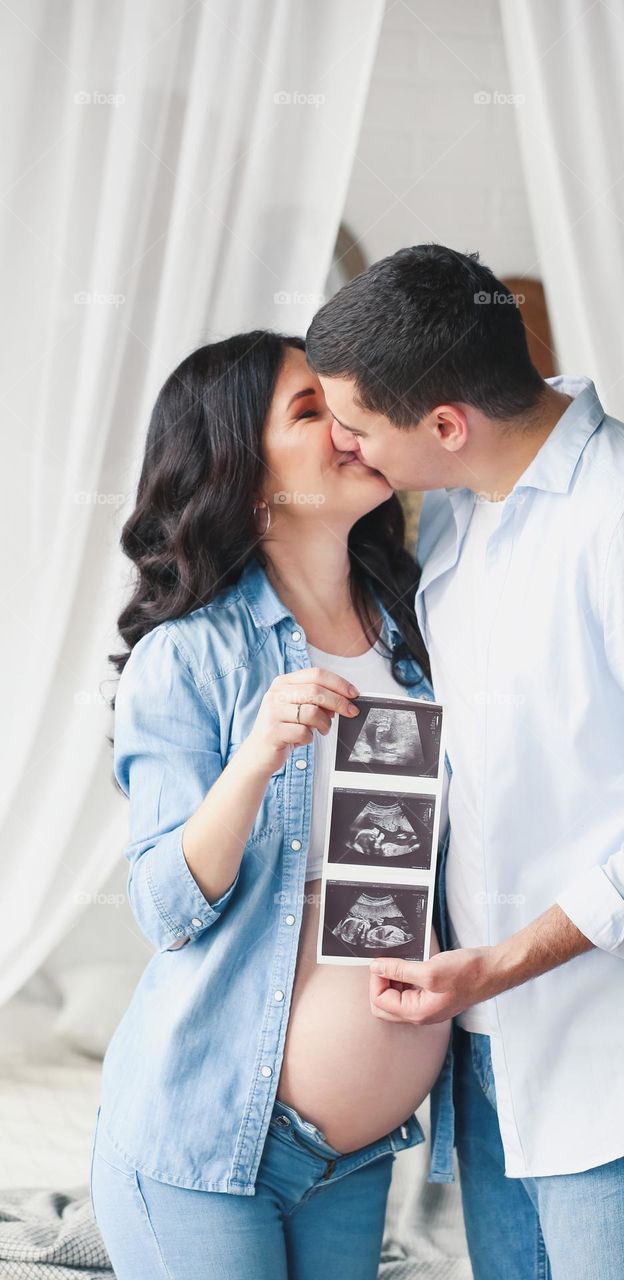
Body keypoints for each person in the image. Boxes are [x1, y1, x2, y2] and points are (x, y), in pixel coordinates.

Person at [305, 244, 624, 1280]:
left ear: (443, 423)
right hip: (490, 1043)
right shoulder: (469, 506)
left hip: (621, 1050)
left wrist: (503, 959)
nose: (344, 441)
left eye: (356, 422)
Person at [88, 331, 451, 1280]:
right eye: (308, 411)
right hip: (205, 1139)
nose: (347, 426)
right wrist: (254, 757)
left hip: (353, 1156)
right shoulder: (191, 656)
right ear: (243, 476)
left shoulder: (421, 637)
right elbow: (163, 906)